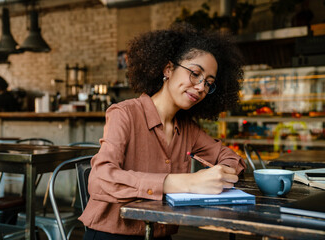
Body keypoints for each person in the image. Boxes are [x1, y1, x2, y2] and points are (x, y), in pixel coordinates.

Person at [79, 23, 247, 240]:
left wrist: (220, 174)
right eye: (195, 74)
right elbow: (100, 180)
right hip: (112, 233)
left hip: (160, 233)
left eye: (209, 83)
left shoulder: (188, 129)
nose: (201, 87)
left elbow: (233, 159)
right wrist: (185, 182)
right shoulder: (125, 114)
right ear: (168, 69)